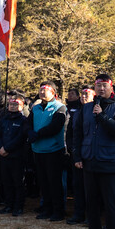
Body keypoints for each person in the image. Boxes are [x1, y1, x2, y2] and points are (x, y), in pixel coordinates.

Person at [73, 73, 115, 229]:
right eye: (98, 86)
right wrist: (77, 157)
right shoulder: (86, 108)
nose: (101, 89)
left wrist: (103, 116)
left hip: (109, 163)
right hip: (89, 161)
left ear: (111, 88)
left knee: (110, 204)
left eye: (105, 85)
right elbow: (78, 133)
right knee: (91, 203)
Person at [30, 81, 68, 221]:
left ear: (53, 92)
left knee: (55, 182)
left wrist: (38, 134)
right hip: (38, 150)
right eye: (40, 89)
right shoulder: (36, 108)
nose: (41, 92)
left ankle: (58, 211)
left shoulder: (59, 107)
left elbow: (56, 126)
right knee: (43, 182)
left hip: (53, 150)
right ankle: (46, 208)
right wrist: (29, 132)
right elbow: (28, 123)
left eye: (45, 90)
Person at [0, 91, 30, 216]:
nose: (13, 107)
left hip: (16, 156)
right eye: (11, 104)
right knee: (6, 181)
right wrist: (0, 147)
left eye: (16, 104)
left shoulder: (23, 120)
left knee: (17, 182)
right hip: (4, 155)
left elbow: (20, 137)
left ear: (21, 106)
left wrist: (8, 148)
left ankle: (18, 206)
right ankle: (8, 204)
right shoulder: (4, 118)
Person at [66, 86, 91, 225]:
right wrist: (74, 152)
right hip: (77, 155)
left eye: (87, 94)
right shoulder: (76, 113)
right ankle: (78, 213)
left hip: (91, 156)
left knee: (91, 188)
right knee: (78, 186)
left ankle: (91, 215)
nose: (83, 97)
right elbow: (70, 134)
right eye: (82, 95)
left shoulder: (97, 112)